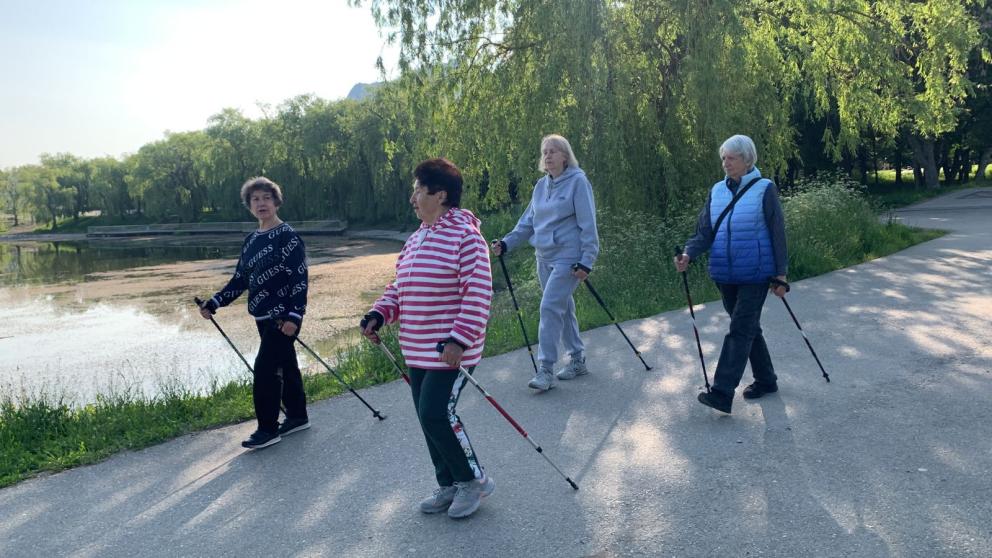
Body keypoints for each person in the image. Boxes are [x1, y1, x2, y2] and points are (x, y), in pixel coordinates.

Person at [360, 158, 495, 519]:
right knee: (427, 417)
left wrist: (459, 340)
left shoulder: (467, 237)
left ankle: (473, 481)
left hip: (449, 350)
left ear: (441, 195)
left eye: (419, 190)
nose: (413, 198)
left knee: (437, 413)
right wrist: (378, 314)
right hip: (416, 348)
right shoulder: (416, 239)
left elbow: (478, 293)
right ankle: (448, 483)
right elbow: (399, 288)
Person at [674, 134, 789, 414]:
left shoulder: (765, 189)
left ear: (747, 160)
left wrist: (781, 274)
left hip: (756, 274)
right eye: (723, 158)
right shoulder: (717, 191)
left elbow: (778, 233)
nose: (726, 163)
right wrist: (688, 254)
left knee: (739, 329)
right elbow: (704, 231)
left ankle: (722, 392)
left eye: (732, 158)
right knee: (748, 328)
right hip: (725, 274)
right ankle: (766, 380)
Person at [199, 176, 310, 449]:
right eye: (255, 199)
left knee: (265, 371)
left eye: (266, 198)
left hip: (283, 318)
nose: (261, 203)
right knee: (287, 365)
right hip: (261, 316)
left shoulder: (288, 237)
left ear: (276, 202)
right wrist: (215, 302)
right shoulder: (251, 241)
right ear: (249, 206)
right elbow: (240, 279)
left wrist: (295, 316)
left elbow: (299, 278)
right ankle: (297, 416)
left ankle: (267, 429)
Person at [491, 134, 600, 391]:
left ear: (565, 156)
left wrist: (587, 260)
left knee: (549, 307)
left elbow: (588, 224)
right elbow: (527, 223)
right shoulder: (541, 186)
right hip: (543, 256)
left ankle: (546, 369)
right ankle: (577, 359)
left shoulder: (578, 182)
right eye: (545, 152)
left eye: (553, 151)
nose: (548, 155)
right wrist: (506, 243)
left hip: (568, 257)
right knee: (563, 307)